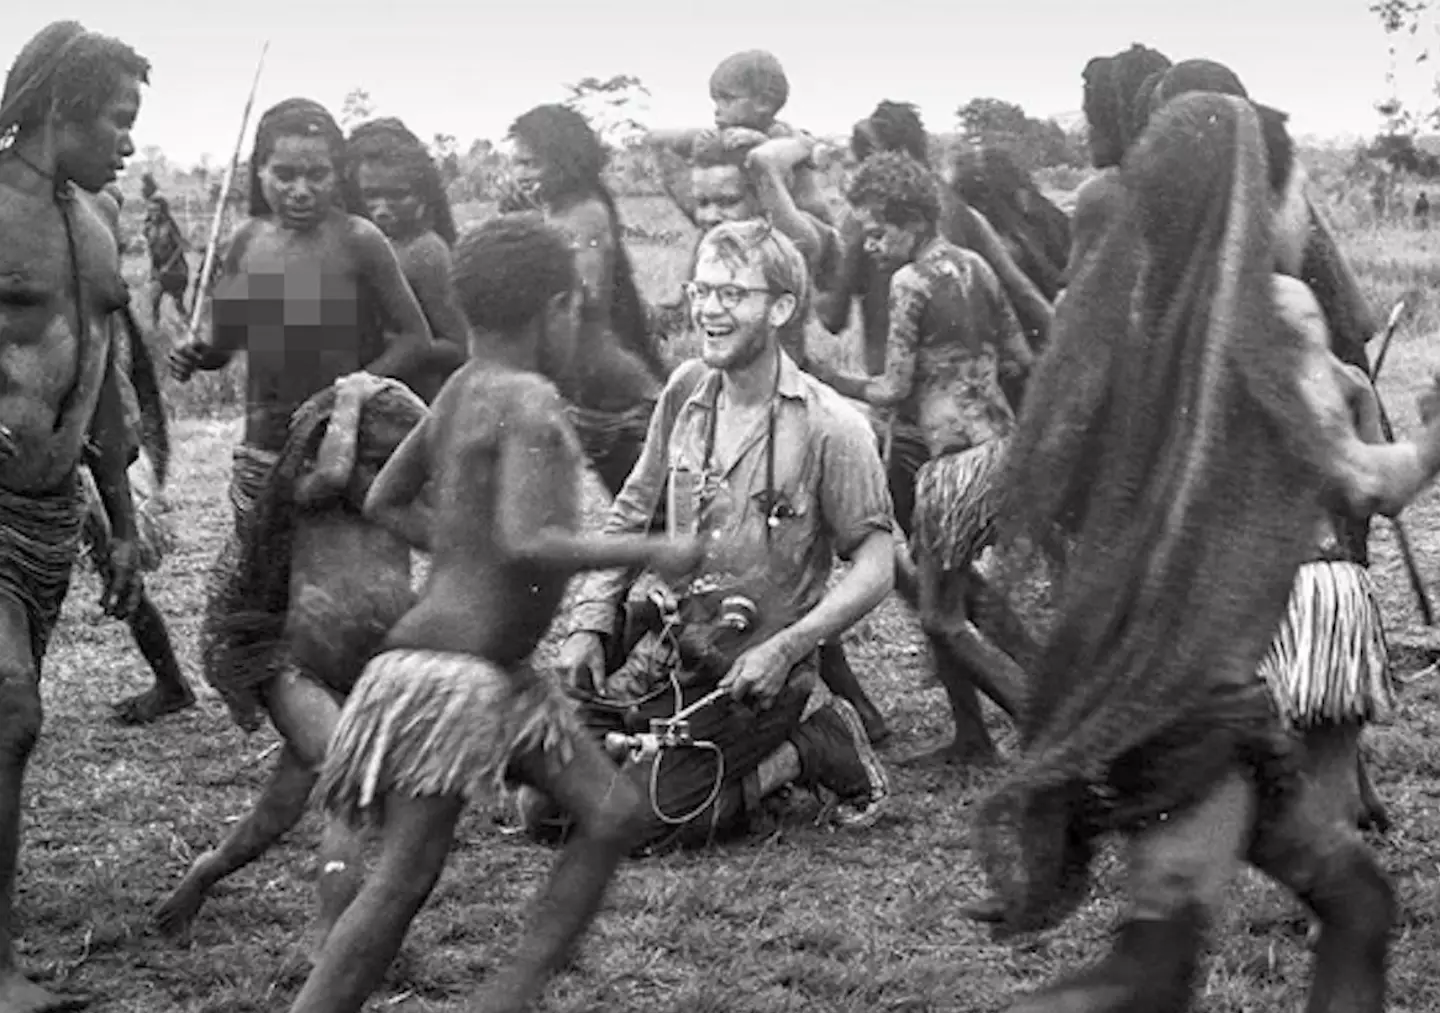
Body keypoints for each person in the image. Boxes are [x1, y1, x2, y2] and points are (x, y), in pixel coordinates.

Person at [971, 92, 1440, 1013]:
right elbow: (1362, 482)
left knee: (1357, 901)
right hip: (1192, 709)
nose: (1306, 218)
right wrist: (1432, 441)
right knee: (1149, 974)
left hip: (1175, 683)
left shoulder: (1128, 314)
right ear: (1255, 201)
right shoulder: (1270, 315)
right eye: (1300, 194)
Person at [289, 214, 702, 1013]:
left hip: (479, 674)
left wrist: (462, 548)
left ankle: (509, 996)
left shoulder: (462, 387)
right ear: (557, 307)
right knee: (403, 879)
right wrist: (653, 549)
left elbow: (384, 497)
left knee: (612, 812)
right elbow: (529, 537)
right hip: (454, 680)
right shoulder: (529, 398)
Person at [543, 218, 895, 854]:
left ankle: (809, 743)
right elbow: (632, 515)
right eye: (701, 290)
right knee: (541, 805)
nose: (708, 309)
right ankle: (671, 754)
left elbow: (876, 567)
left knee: (637, 826)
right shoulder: (685, 391)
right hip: (668, 646)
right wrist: (589, 623)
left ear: (782, 307)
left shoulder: (831, 428)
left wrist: (787, 649)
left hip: (756, 675)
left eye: (732, 294)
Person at [168, 97, 433, 732]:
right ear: (259, 172)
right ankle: (314, 727)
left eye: (316, 174)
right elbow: (225, 337)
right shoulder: (246, 241)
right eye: (284, 174)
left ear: (338, 173)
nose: (301, 189)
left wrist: (357, 389)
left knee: (346, 603)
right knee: (264, 604)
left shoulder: (359, 241)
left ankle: (371, 719)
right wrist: (196, 352)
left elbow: (414, 338)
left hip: (339, 453)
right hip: (261, 456)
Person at [155, 374, 427, 953]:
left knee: (278, 811)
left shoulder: (395, 506)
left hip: (362, 680)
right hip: (295, 668)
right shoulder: (311, 492)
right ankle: (332, 943)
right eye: (370, 459)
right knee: (349, 786)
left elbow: (444, 524)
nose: (379, 475)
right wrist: (351, 399)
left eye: (393, 463)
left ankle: (207, 870)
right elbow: (333, 473)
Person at [0, 20, 148, 1011]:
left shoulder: (95, 218)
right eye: (119, 120)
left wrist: (125, 518)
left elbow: (102, 378)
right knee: (10, 707)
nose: (130, 142)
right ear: (61, 108)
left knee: (6, 726)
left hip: (52, 511)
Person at [810, 152, 1035, 764]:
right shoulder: (977, 267)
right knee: (956, 591)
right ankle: (974, 736)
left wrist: (830, 377)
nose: (874, 246)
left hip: (952, 469)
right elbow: (1017, 356)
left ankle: (1043, 726)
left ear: (910, 218)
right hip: (998, 450)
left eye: (879, 231)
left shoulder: (910, 284)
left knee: (941, 617)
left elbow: (890, 389)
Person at [505, 103, 669, 496]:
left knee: (645, 502)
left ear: (564, 162)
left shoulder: (584, 213)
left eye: (531, 164)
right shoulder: (552, 212)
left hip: (610, 382)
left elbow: (589, 297)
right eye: (518, 164)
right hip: (594, 382)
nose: (521, 175)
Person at [87, 185, 196, 726]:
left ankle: (171, 682)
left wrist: (150, 448)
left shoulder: (104, 294)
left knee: (118, 564)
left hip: (94, 451)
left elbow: (139, 388)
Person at [346, 117, 469, 402]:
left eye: (398, 196)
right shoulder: (372, 243)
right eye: (371, 195)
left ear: (424, 197)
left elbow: (458, 347)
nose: (382, 209)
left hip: (414, 401)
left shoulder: (425, 252)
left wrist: (386, 343)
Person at [649, 49, 833, 228]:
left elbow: (805, 153)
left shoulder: (781, 135)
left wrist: (763, 143)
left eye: (728, 100)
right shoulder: (728, 133)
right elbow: (661, 139)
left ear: (763, 103)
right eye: (716, 100)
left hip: (801, 225)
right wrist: (707, 142)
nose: (717, 108)